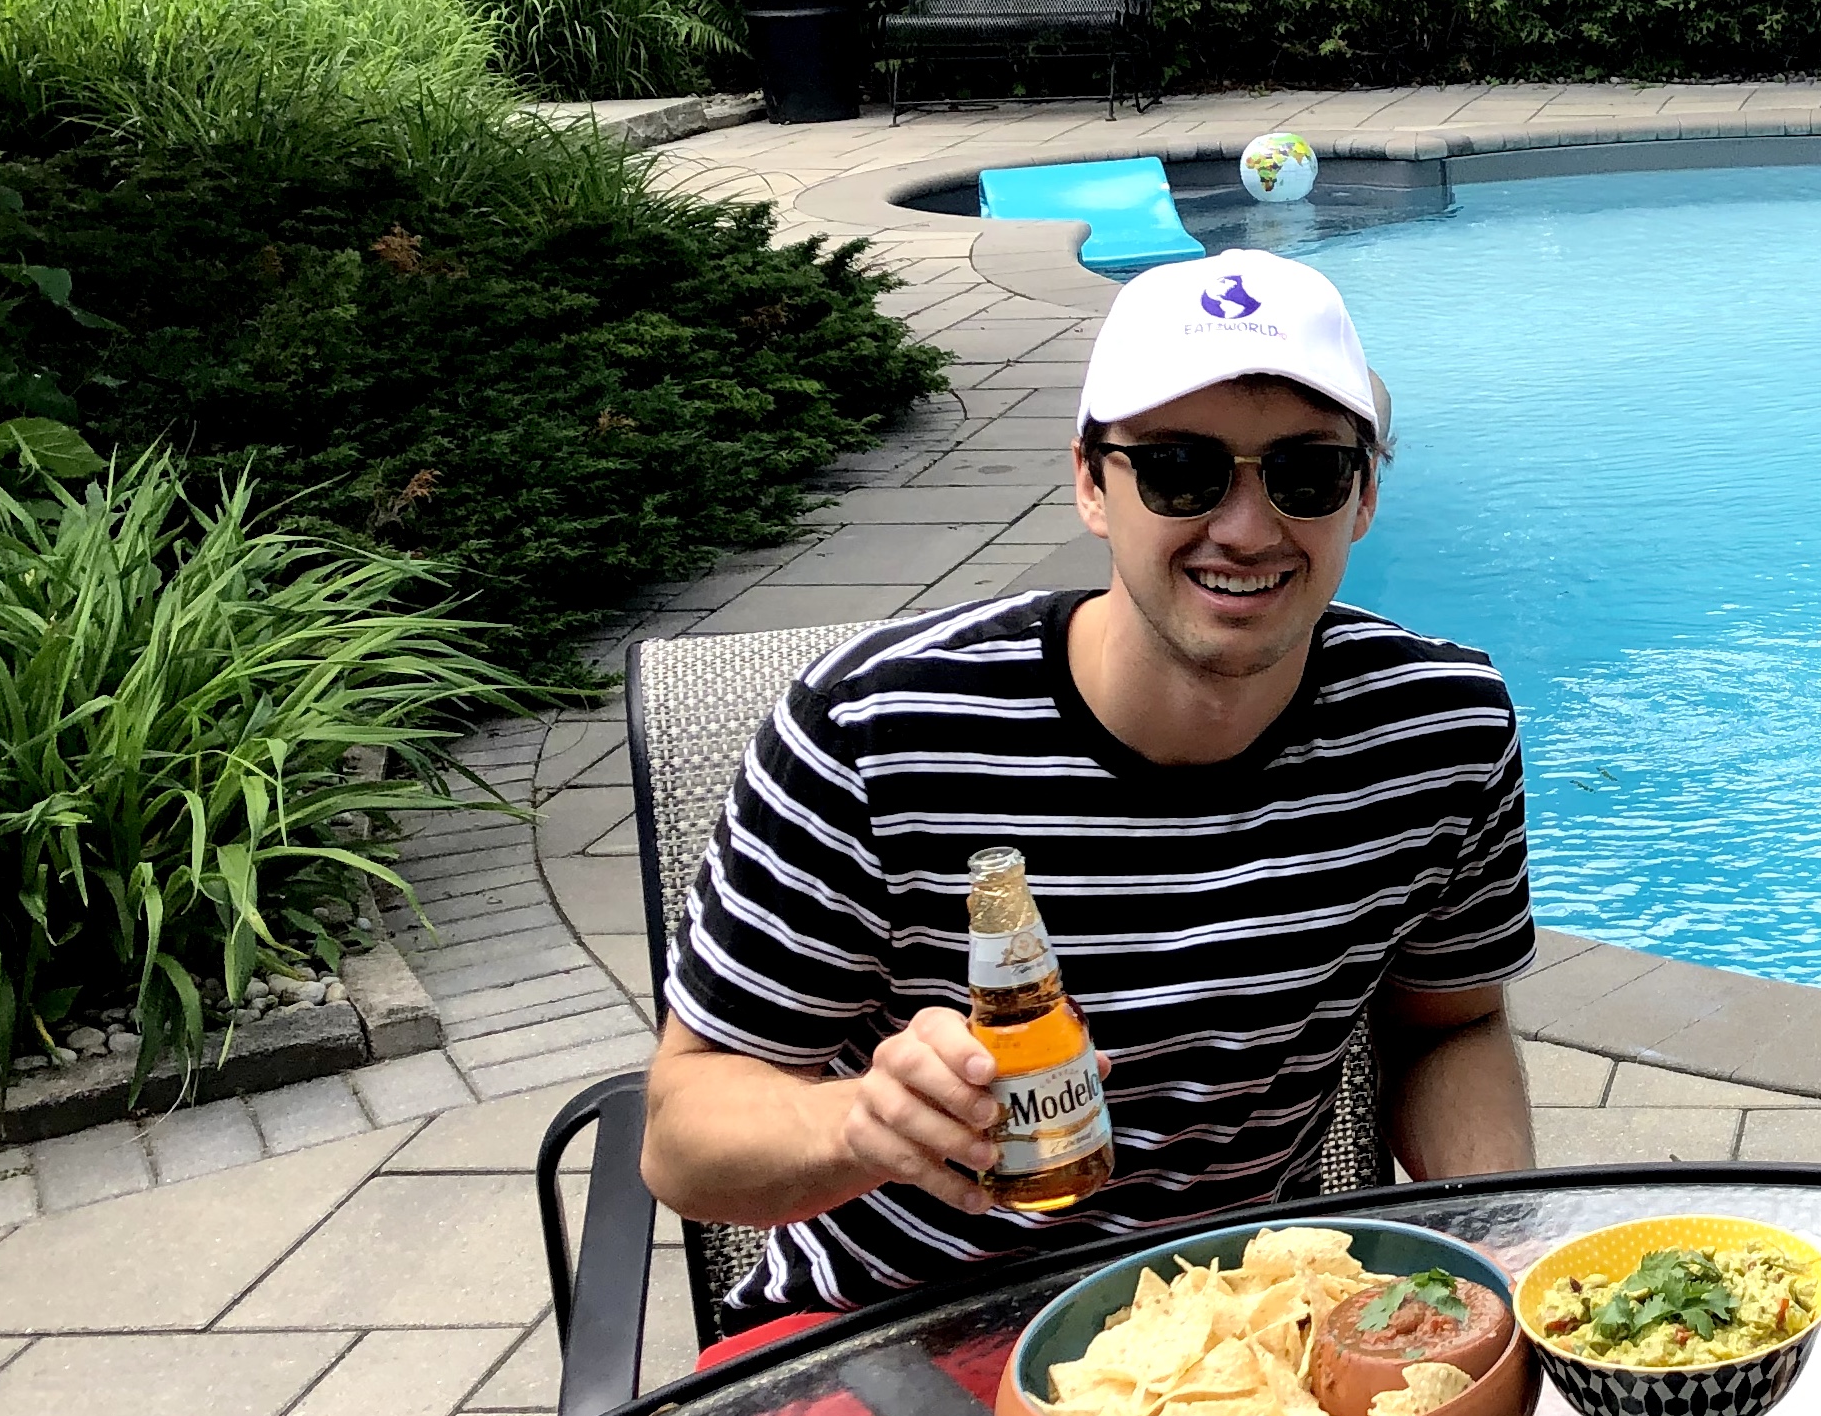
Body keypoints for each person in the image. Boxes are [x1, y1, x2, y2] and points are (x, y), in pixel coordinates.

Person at [642, 248, 1537, 1337]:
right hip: (898, 1330)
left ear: (1363, 497)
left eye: (1306, 473)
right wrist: (858, 1124)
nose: (1246, 528)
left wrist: (1502, 1256)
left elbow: (1450, 1025)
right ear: (1090, 482)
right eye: (1178, 469)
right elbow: (683, 1135)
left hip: (1257, 1327)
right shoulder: (877, 731)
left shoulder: (1436, 729)